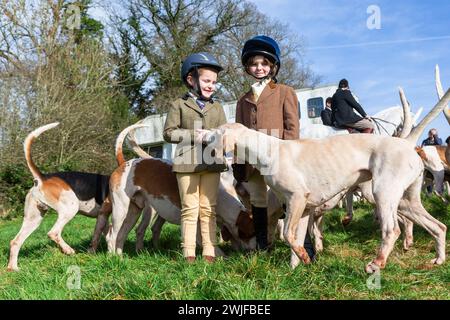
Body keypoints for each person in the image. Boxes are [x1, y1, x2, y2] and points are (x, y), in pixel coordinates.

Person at [233, 35, 315, 259]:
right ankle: (262, 246)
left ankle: (305, 247)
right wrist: (239, 163)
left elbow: (292, 127)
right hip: (253, 160)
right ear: (248, 67)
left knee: (291, 200)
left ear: (272, 66)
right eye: (253, 64)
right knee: (258, 202)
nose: (258, 68)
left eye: (264, 63)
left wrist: (292, 157)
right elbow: (239, 134)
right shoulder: (242, 100)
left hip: (281, 158)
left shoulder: (285, 92)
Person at [163, 52, 227, 263]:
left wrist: (220, 140)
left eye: (214, 82)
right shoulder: (178, 104)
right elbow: (168, 133)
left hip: (212, 162)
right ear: (191, 80)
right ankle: (188, 252)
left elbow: (223, 132)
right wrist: (193, 135)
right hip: (186, 163)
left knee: (209, 209)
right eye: (207, 81)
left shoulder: (217, 107)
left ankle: (210, 250)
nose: (212, 86)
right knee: (190, 209)